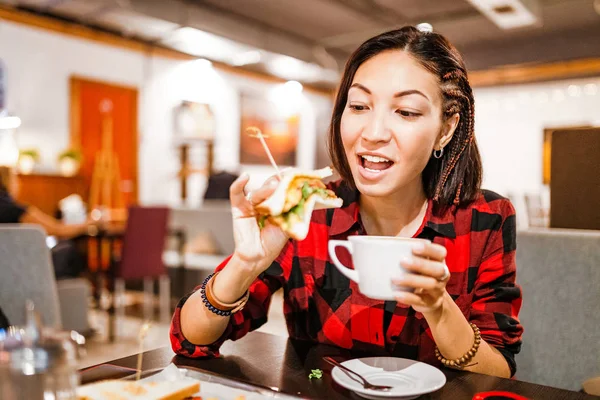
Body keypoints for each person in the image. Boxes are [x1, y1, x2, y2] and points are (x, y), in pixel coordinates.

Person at [170, 26, 523, 378]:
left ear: (445, 129)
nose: (372, 133)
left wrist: (439, 308)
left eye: (406, 112)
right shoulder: (309, 211)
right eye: (359, 106)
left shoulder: (484, 219)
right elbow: (190, 341)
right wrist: (245, 265)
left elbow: (499, 370)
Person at [0, 166, 94, 279]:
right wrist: (88, 223)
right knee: (68, 249)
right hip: (22, 269)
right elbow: (58, 229)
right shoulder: (17, 211)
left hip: (7, 269)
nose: (18, 184)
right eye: (15, 179)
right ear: (7, 181)